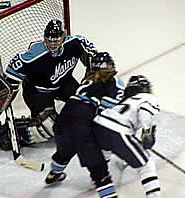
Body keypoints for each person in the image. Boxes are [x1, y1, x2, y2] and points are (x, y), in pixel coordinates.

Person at [0, 19, 102, 148]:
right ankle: (16, 132)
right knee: (49, 126)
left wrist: (91, 78)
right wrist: (7, 90)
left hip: (65, 84)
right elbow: (12, 71)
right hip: (38, 92)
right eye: (49, 40)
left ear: (64, 36)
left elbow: (95, 59)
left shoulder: (75, 43)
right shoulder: (35, 53)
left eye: (56, 40)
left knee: (88, 103)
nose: (52, 44)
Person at [44, 54, 125, 198]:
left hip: (62, 120)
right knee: (99, 170)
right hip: (81, 124)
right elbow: (112, 108)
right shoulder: (115, 82)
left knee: (64, 152)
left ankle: (53, 174)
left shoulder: (87, 80)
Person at [92, 75, 161, 198]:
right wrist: (147, 131)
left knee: (105, 154)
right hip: (117, 130)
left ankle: (101, 181)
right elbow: (145, 109)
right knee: (146, 164)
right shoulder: (147, 98)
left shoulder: (125, 100)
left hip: (98, 126)